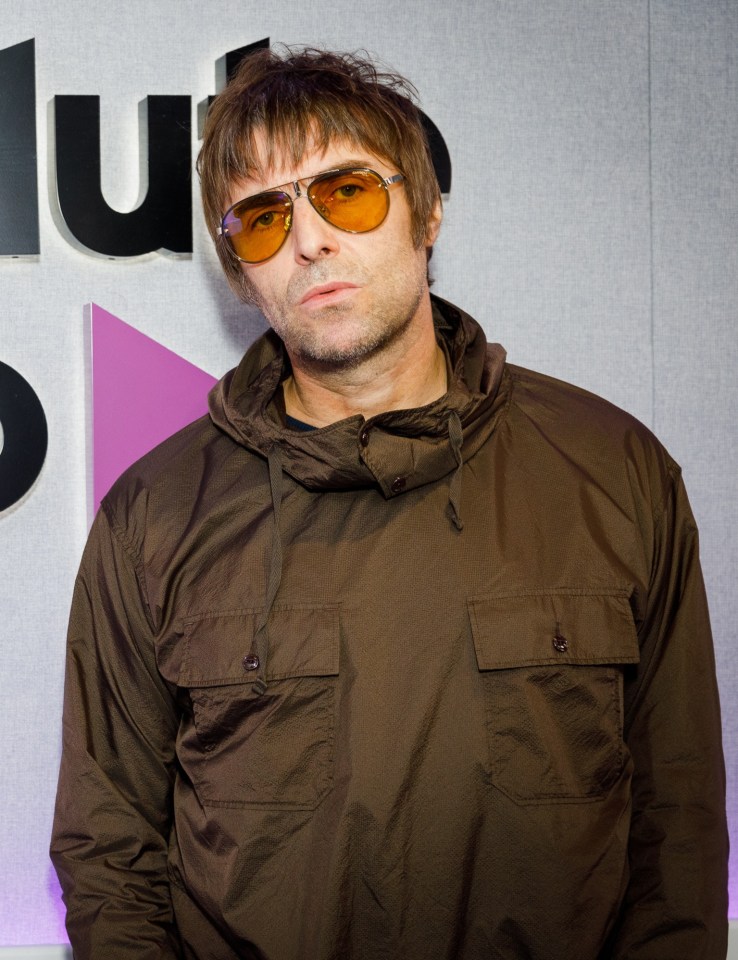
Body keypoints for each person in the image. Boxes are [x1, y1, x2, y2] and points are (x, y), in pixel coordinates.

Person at [51, 46, 728, 959]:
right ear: (239, 271)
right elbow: (110, 854)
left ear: (428, 209)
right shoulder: (153, 518)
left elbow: (675, 826)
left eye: (347, 192)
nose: (309, 240)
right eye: (261, 218)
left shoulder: (613, 472)